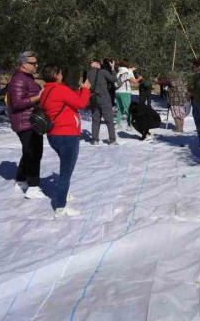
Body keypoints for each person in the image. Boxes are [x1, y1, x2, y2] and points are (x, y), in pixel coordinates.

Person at [40, 64, 91, 217]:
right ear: (56, 75)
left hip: (53, 135)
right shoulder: (60, 89)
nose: (62, 73)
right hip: (67, 135)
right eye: (60, 71)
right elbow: (81, 103)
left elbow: (70, 99)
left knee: (65, 169)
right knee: (65, 173)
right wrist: (86, 89)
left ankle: (64, 192)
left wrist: (81, 91)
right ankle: (60, 206)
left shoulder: (46, 91)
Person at [8, 52, 45, 199]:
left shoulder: (27, 78)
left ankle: (21, 180)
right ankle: (33, 187)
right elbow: (17, 103)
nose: (36, 65)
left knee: (28, 152)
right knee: (34, 153)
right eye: (33, 63)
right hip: (25, 123)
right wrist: (38, 97)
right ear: (24, 64)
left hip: (30, 121)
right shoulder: (19, 80)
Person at [87, 59, 118, 145]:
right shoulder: (103, 72)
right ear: (97, 64)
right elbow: (114, 79)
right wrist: (112, 68)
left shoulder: (88, 73)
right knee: (109, 121)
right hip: (104, 99)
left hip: (94, 100)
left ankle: (95, 140)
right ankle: (112, 140)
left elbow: (86, 87)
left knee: (95, 120)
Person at [115, 60, 142, 130]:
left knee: (119, 108)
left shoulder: (118, 72)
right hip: (125, 92)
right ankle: (129, 125)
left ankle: (117, 123)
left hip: (117, 92)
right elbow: (135, 82)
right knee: (128, 109)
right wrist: (140, 77)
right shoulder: (127, 72)